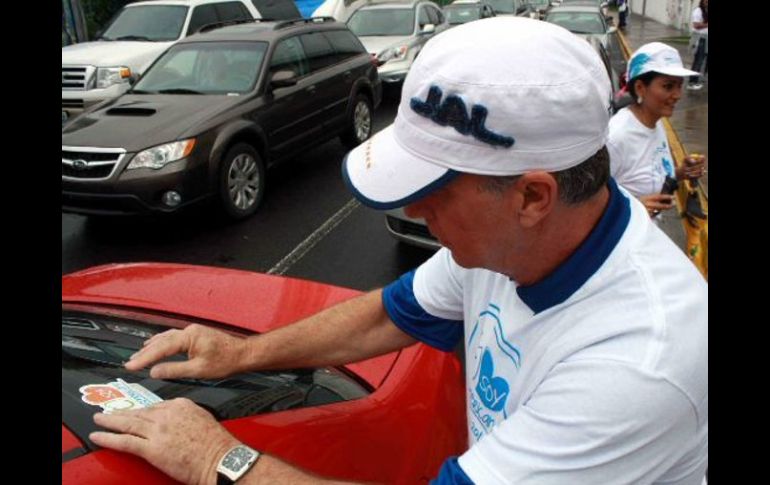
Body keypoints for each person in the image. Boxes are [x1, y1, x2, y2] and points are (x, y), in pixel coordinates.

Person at [90, 18, 708, 485]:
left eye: (433, 189)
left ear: (533, 196)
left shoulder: (636, 363)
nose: (412, 210)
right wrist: (240, 354)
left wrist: (215, 459)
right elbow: (389, 315)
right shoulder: (510, 246)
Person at [608, 42, 707, 223]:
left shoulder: (655, 123)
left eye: (679, 86)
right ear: (640, 88)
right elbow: (586, 204)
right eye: (668, 86)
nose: (677, 95)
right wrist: (633, 208)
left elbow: (646, 175)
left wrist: (680, 172)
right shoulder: (617, 137)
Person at [687, 0, 708, 90]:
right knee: (698, 61)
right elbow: (696, 25)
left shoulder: (705, 11)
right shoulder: (698, 11)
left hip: (705, 38)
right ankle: (692, 82)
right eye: (706, 1)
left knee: (700, 60)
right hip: (700, 39)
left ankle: (696, 79)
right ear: (702, 1)